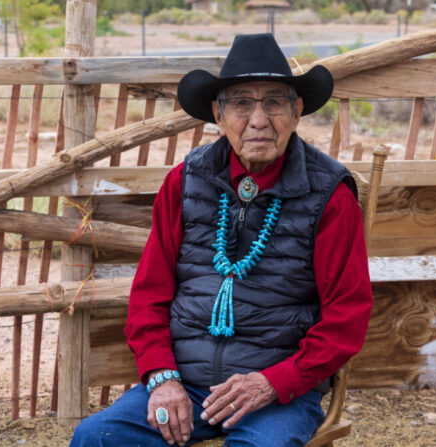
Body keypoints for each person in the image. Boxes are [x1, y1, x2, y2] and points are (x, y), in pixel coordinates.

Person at [70, 33, 372, 447]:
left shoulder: (329, 195)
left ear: (297, 110)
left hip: (277, 394)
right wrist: (162, 378)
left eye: (274, 102)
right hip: (184, 387)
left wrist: (273, 382)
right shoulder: (185, 180)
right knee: (97, 438)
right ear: (218, 112)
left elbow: (346, 317)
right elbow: (149, 295)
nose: (259, 120)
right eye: (242, 102)